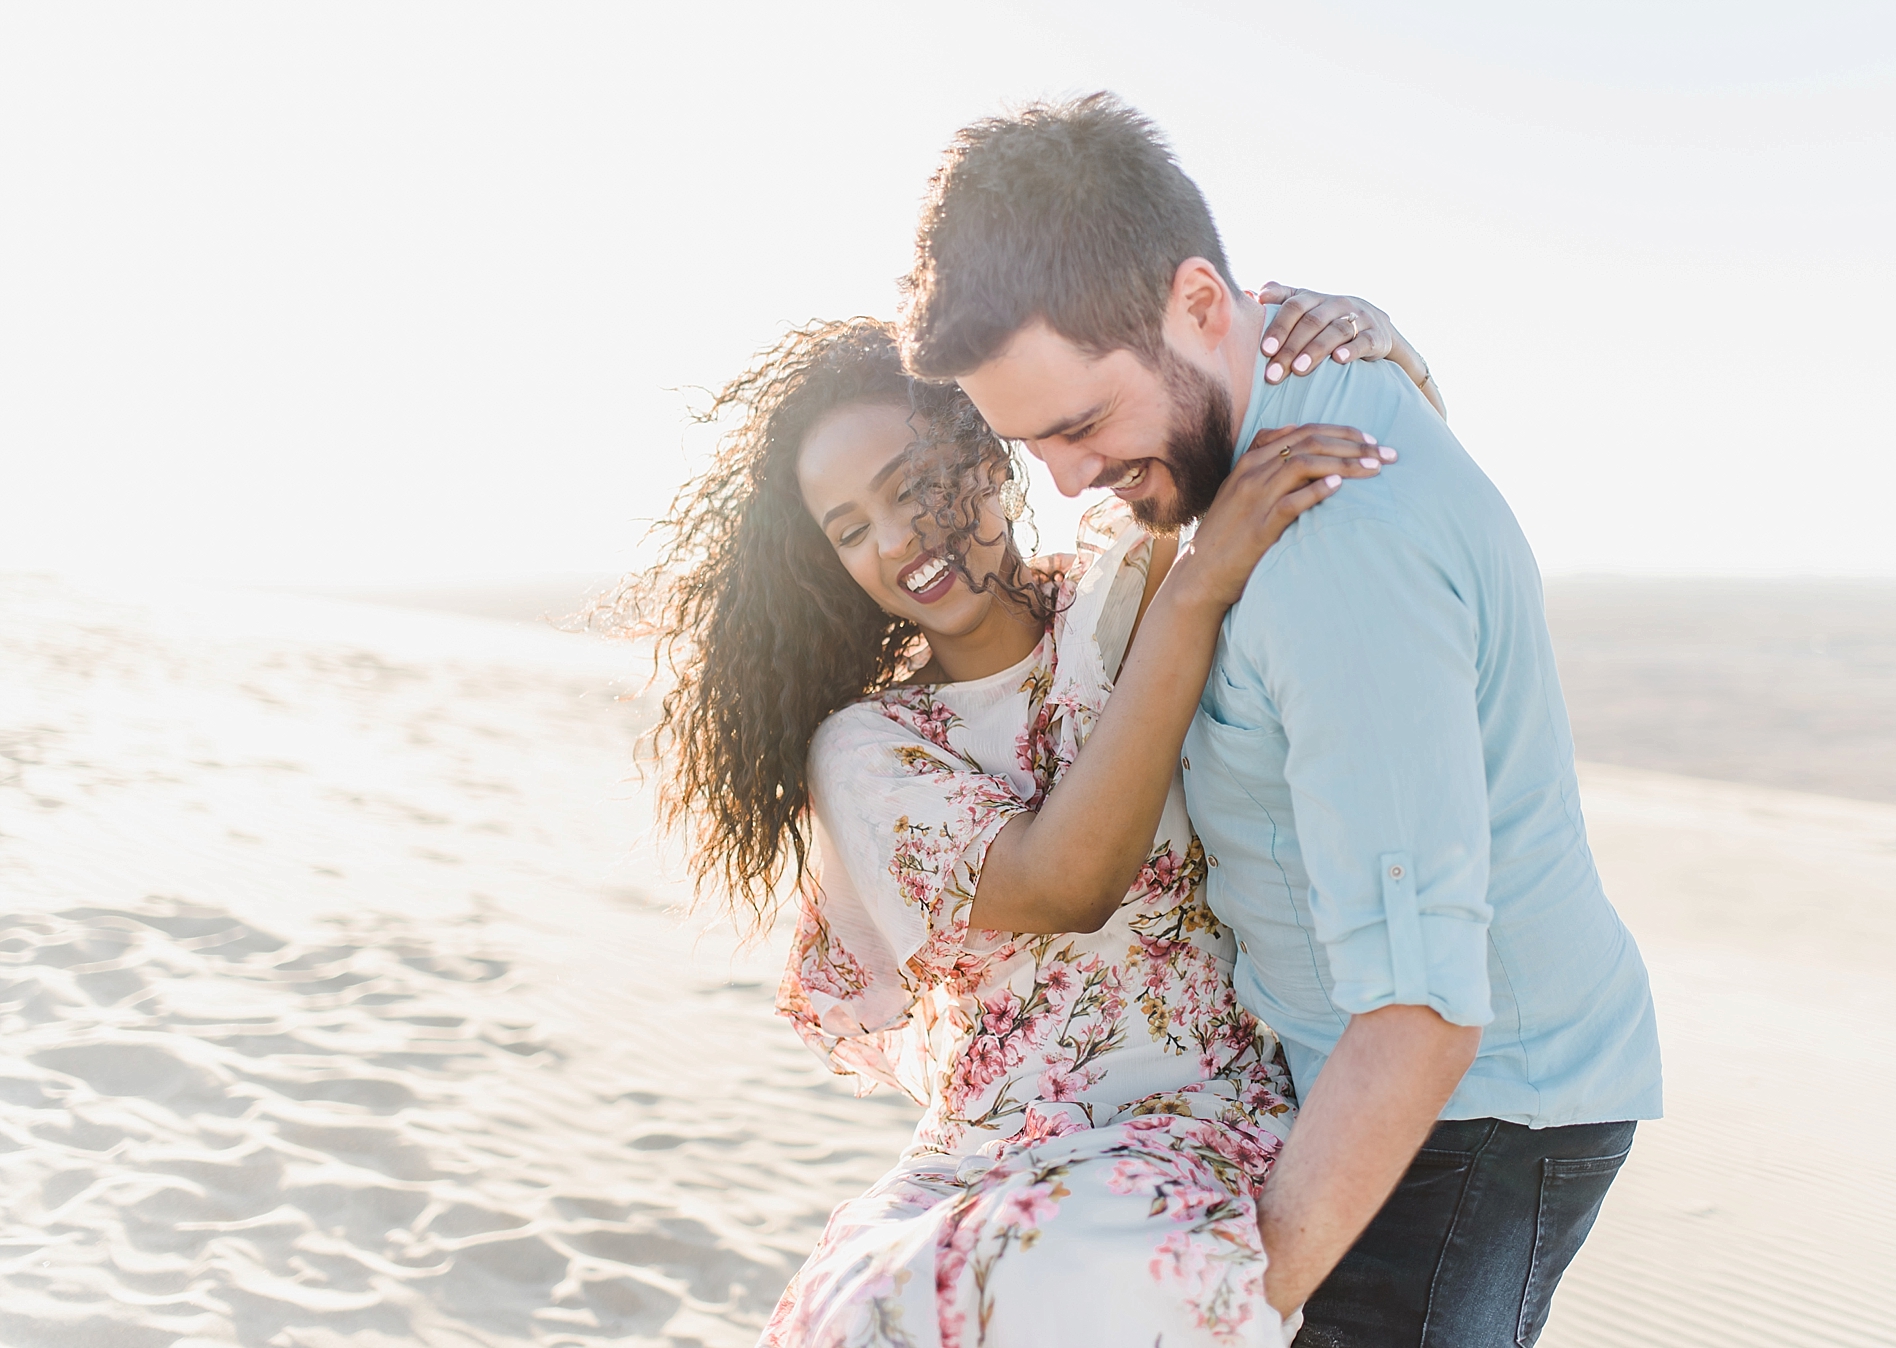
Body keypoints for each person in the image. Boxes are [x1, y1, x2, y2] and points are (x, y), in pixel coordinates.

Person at [897, 94, 1662, 1348]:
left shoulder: (1328, 553)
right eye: (1030, 443)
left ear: (1202, 304)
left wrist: (1234, 1301)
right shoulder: (1295, 385)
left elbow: (1422, 1009)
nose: (1071, 480)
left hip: (1463, 1122)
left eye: (1081, 425)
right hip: (1393, 1094)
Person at [620, 298, 1435, 1345]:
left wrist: (1373, 349)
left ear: (990, 455)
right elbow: (1066, 880)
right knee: (864, 1306)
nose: (896, 539)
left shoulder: (1125, 581)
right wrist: (1193, 599)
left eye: (911, 486)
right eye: (851, 528)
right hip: (982, 1150)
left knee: (1070, 1272)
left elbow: (1338, 474)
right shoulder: (869, 747)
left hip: (1190, 1118)